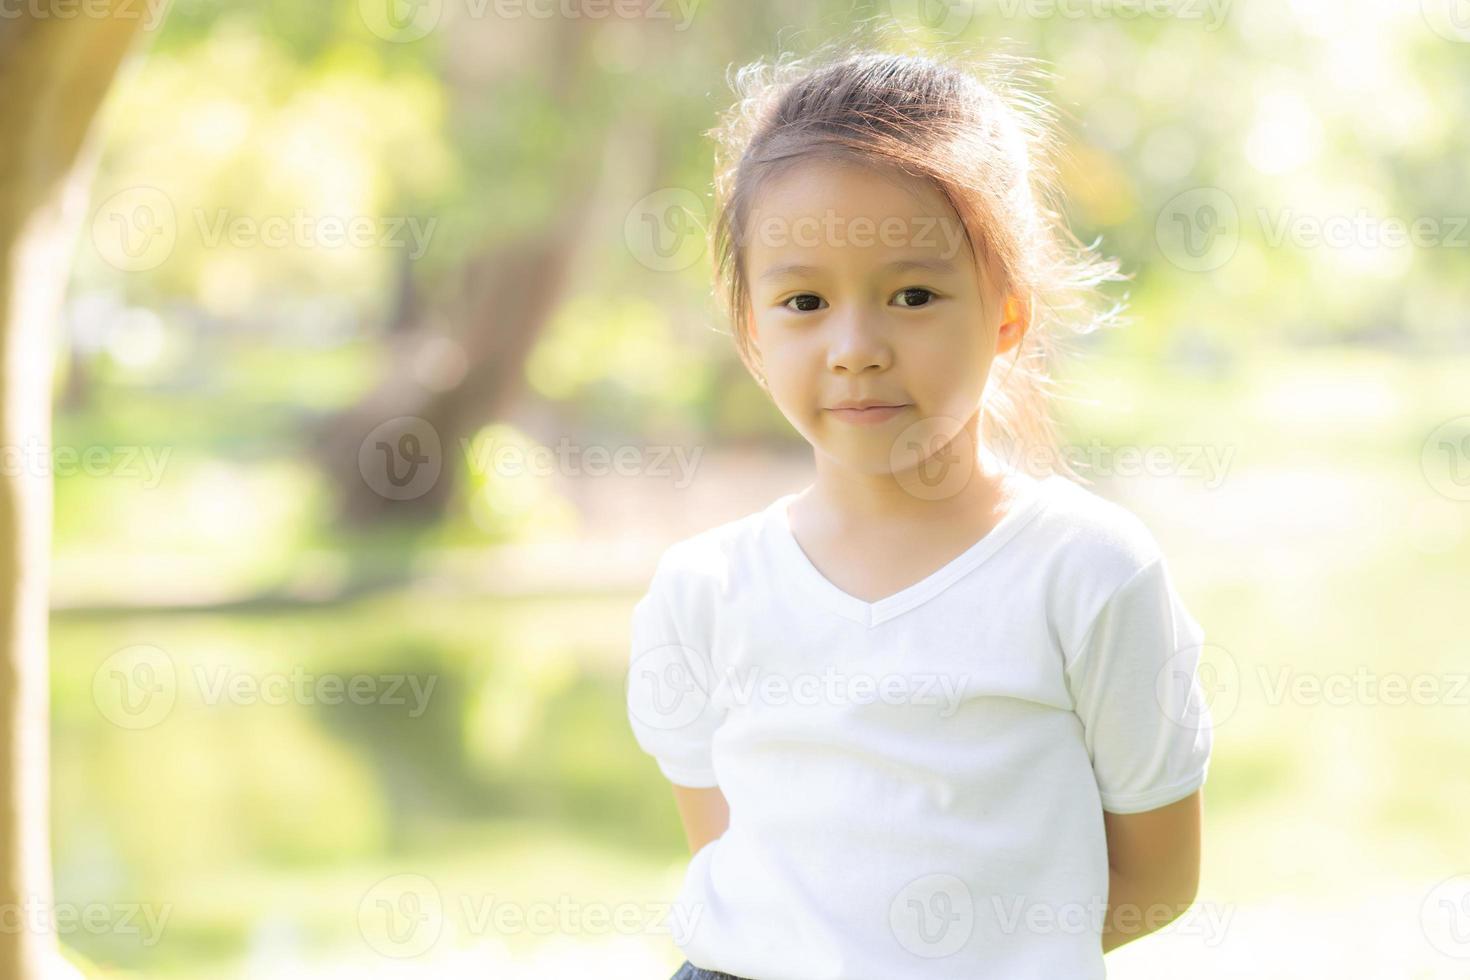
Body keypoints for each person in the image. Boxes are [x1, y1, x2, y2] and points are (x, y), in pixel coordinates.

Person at [626, 41, 1215, 980]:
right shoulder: (705, 589)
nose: (855, 346)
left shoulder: (1086, 569)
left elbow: (1157, 872)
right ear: (752, 331)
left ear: (1006, 319)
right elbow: (740, 871)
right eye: (805, 300)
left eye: (914, 294)